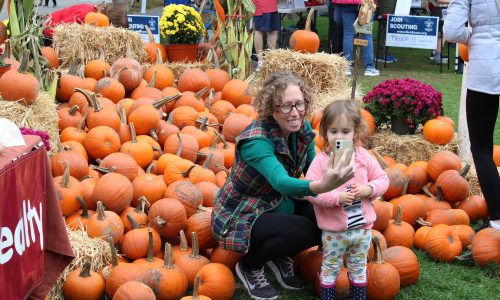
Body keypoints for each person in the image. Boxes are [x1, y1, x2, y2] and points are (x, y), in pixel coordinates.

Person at [211, 71, 356, 300]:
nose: (295, 112)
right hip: (241, 211)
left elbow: (312, 169)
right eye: (286, 106)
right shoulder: (256, 142)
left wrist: (347, 179)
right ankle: (250, 265)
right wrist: (321, 186)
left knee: (328, 218)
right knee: (304, 230)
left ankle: (280, 255)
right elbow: (281, 181)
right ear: (272, 108)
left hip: (278, 200)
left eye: (299, 104)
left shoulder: (303, 130)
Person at [305, 100, 389, 300]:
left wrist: (369, 189)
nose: (339, 137)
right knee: (331, 267)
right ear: (325, 132)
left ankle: (358, 297)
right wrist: (336, 197)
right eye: (333, 132)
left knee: (358, 267)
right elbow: (310, 191)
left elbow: (383, 179)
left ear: (356, 132)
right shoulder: (321, 160)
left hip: (362, 230)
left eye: (345, 132)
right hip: (335, 232)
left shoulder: (363, 158)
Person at [443, 0, 500, 230]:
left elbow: (452, 30)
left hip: (485, 69)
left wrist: (474, 36)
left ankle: (497, 217)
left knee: (482, 148)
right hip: (486, 66)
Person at [333, 0, 380, 76]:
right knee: (366, 35)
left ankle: (347, 67)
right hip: (365, 3)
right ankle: (369, 67)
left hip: (346, 4)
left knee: (348, 35)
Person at [252, 0, 280, 71]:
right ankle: (260, 61)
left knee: (273, 31)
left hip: (273, 5)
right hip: (261, 5)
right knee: (259, 31)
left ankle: (271, 59)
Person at [429, 0, 450, 64]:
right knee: (443, 34)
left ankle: (435, 54)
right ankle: (437, 56)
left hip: (439, 9)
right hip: (440, 9)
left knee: (439, 34)